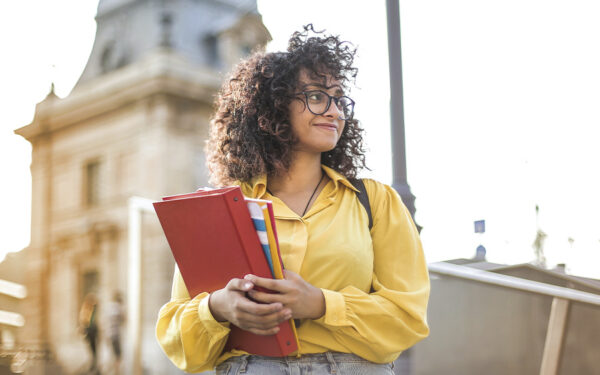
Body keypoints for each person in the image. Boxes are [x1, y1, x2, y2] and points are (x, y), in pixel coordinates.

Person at [156, 25, 430, 374]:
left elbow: (408, 318)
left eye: (339, 98)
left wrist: (320, 304)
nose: (334, 111)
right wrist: (218, 308)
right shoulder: (222, 209)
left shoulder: (375, 201)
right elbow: (177, 339)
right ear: (274, 106)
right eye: (317, 96)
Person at [79, 293, 99, 372]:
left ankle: (93, 364)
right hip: (90, 331)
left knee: (94, 349)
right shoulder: (87, 309)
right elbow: (85, 321)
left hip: (92, 331)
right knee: (92, 349)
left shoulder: (91, 309)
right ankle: (92, 364)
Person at [106, 291, 125, 374]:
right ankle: (116, 372)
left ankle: (114, 371)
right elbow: (123, 319)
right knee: (118, 356)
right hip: (116, 335)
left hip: (109, 334)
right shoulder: (118, 308)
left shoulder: (109, 308)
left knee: (113, 355)